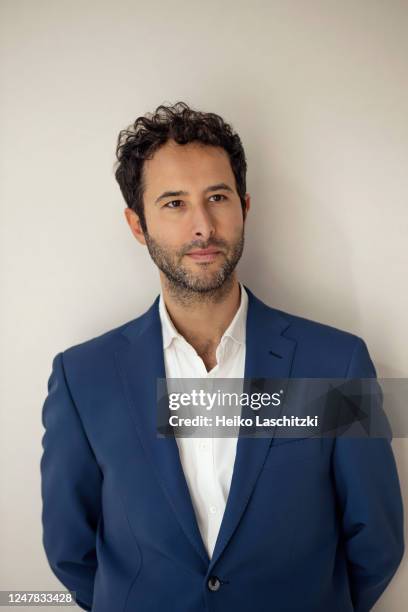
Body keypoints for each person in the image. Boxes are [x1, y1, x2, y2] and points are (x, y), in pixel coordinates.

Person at [40, 101, 404, 612]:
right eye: (173, 203)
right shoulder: (83, 378)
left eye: (217, 196)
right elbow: (71, 552)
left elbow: (377, 541)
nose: (203, 226)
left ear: (245, 206)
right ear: (137, 224)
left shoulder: (337, 364)